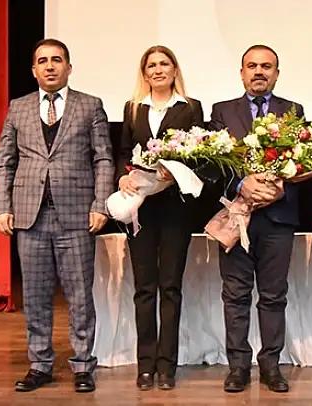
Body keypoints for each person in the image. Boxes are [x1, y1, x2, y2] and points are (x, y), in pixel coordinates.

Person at [0, 38, 114, 393]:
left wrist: (100, 205)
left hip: (76, 216)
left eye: (56, 60)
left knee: (79, 296)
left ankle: (83, 365)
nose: (50, 66)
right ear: (34, 69)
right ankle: (40, 364)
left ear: (68, 67)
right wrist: (2, 207)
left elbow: (103, 159)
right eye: (42, 61)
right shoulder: (18, 107)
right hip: (29, 216)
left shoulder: (90, 105)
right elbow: (4, 162)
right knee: (35, 295)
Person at [208, 44, 303, 393]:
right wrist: (242, 184)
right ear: (242, 73)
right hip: (237, 215)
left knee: (274, 295)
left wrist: (278, 188)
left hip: (277, 218)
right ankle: (238, 367)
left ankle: (271, 366)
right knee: (235, 295)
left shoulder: (293, 111)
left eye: (266, 66)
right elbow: (214, 164)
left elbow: (301, 162)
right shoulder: (222, 111)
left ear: (276, 74)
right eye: (252, 66)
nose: (259, 71)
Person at [115, 45, 205, 391]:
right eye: (151, 65)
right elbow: (124, 152)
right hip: (140, 207)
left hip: (175, 208)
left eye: (164, 64)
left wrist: (176, 171)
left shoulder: (190, 107)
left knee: (170, 287)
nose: (158, 70)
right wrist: (122, 176)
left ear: (174, 69)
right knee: (144, 288)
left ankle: (167, 366)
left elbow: (200, 153)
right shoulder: (133, 108)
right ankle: (145, 366)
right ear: (145, 72)